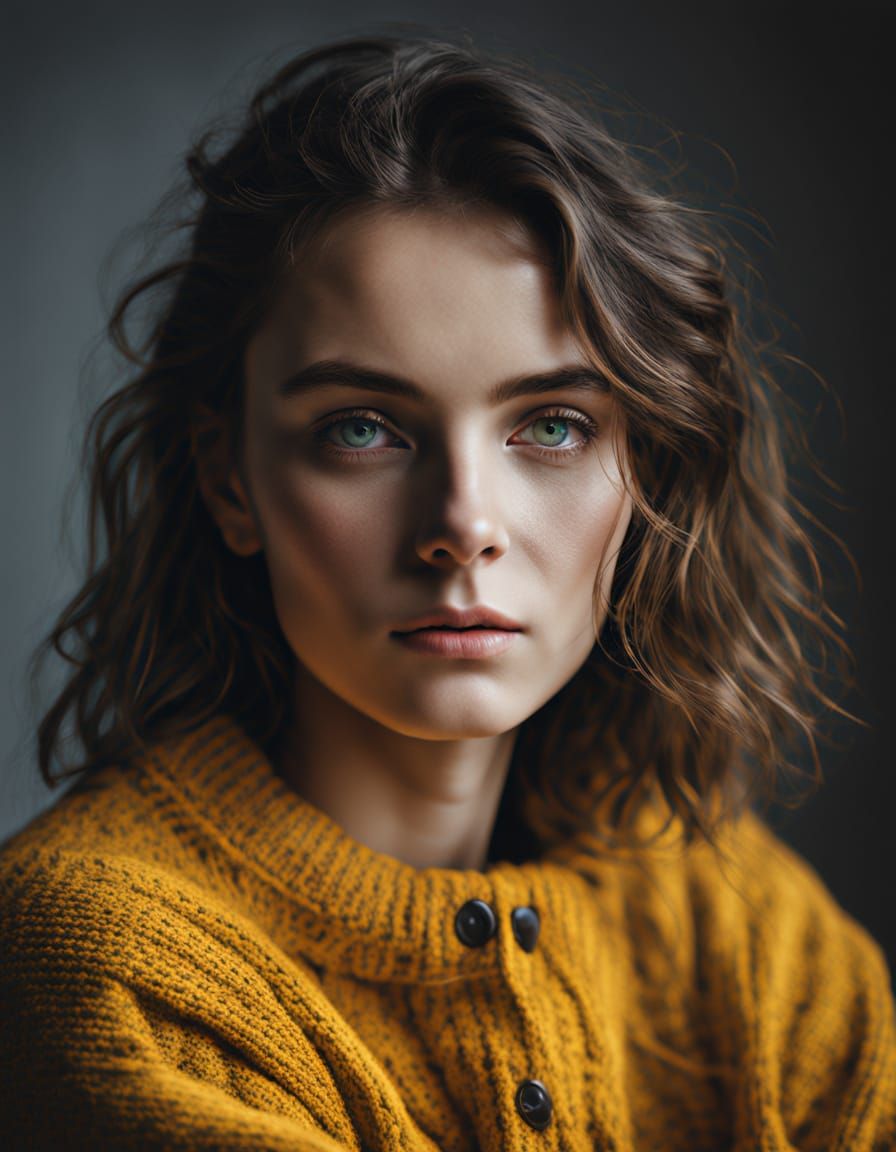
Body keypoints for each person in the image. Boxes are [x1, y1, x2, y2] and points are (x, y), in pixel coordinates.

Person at [1, 32, 893, 1152]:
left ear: (647, 474)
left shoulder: (754, 940)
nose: (463, 525)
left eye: (552, 426)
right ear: (230, 480)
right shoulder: (103, 969)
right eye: (361, 430)